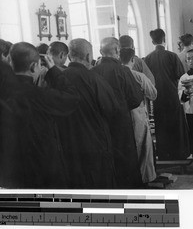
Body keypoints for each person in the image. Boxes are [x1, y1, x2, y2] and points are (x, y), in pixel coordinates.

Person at [0, 42, 79, 188]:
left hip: (8, 175)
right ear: (33, 67)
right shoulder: (40, 96)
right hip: (42, 171)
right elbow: (72, 97)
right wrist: (53, 70)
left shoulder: (4, 94)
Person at [54, 38, 120, 189]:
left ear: (69, 56)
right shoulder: (94, 79)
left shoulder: (57, 78)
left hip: (67, 143)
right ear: (89, 57)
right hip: (95, 142)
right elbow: (112, 109)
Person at [92, 37, 144, 189]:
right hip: (121, 122)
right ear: (117, 51)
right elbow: (135, 99)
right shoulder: (123, 70)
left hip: (100, 123)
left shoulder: (93, 71)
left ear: (101, 52)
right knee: (126, 158)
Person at [144, 28, 190, 160]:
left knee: (161, 125)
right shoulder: (172, 56)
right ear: (164, 40)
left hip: (157, 97)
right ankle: (179, 153)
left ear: (152, 41)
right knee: (176, 125)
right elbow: (182, 78)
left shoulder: (147, 58)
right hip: (173, 96)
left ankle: (164, 154)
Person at [120, 47, 157, 184]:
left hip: (120, 115)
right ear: (133, 59)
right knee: (143, 148)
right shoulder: (138, 76)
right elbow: (153, 94)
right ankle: (144, 179)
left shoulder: (115, 74)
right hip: (138, 113)